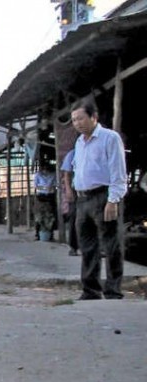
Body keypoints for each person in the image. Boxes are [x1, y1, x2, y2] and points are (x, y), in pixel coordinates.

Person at [70, 99, 128, 300]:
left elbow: (118, 172)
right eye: (74, 120)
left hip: (103, 196)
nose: (77, 123)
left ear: (93, 117)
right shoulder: (79, 142)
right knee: (87, 247)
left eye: (81, 118)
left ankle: (113, 290)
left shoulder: (109, 138)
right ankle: (91, 290)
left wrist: (113, 200)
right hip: (82, 199)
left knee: (111, 245)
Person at [59, 150, 79, 255]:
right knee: (74, 218)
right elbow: (67, 173)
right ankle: (73, 247)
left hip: (92, 190)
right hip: (76, 191)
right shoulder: (73, 153)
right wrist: (68, 189)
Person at [32, 162, 57, 240]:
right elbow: (36, 186)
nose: (45, 171)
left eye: (47, 169)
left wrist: (51, 188)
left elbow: (56, 184)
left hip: (50, 196)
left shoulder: (53, 175)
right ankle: (37, 234)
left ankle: (51, 234)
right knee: (39, 216)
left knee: (51, 216)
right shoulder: (38, 175)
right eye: (44, 169)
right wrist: (45, 188)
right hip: (41, 197)